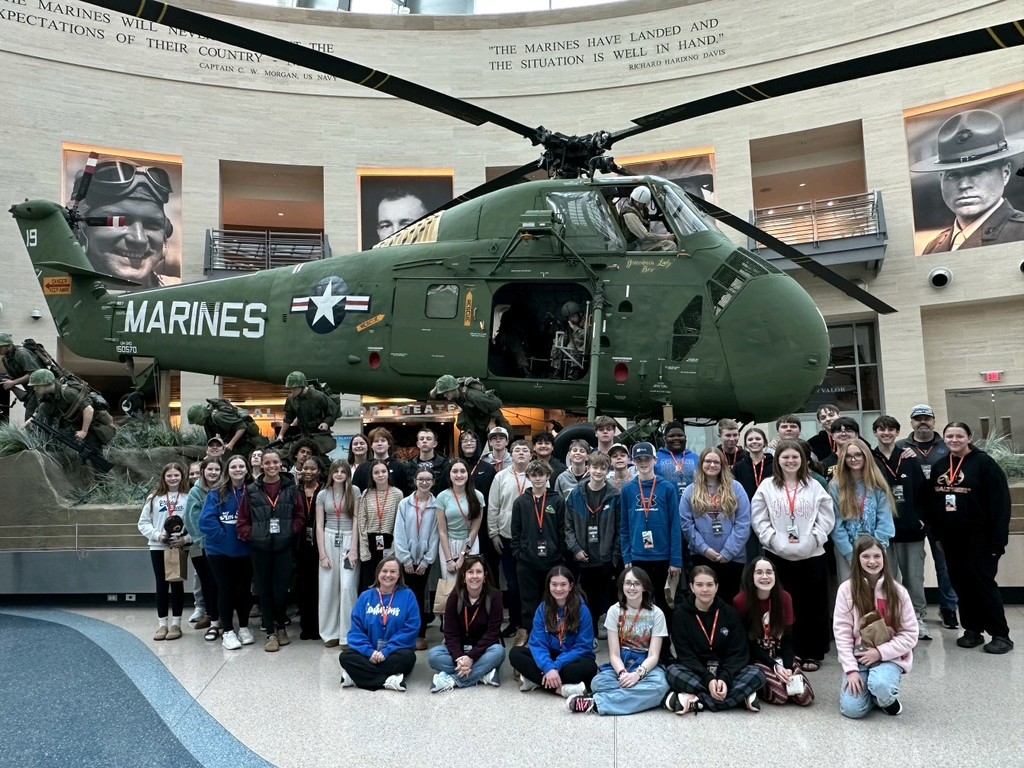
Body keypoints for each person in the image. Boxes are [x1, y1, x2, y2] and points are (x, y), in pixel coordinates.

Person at [750, 440, 835, 672]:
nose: (790, 461)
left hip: (812, 555)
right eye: (785, 457)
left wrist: (814, 538)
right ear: (777, 460)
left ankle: (812, 652)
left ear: (803, 460)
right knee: (782, 606)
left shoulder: (815, 486)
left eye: (794, 457)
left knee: (812, 605)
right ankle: (785, 650)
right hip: (778, 556)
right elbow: (759, 518)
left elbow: (827, 517)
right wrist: (772, 540)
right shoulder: (767, 486)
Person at [931, 422, 1013, 654]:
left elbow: (1000, 504)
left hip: (981, 539)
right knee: (961, 585)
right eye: (949, 436)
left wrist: (998, 542)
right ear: (944, 439)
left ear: (969, 437)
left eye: (959, 436)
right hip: (951, 540)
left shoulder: (985, 464)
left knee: (983, 584)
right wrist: (937, 535)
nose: (954, 440)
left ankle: (1001, 634)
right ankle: (972, 630)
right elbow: (933, 504)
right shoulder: (940, 467)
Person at [911, 109, 1024, 252]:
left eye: (978, 171)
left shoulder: (1020, 233)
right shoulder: (933, 246)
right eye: (953, 175)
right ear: (941, 179)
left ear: (1005, 173)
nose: (964, 185)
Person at [834, 536, 919, 718]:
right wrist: (851, 670)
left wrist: (880, 653)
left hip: (890, 657)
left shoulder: (898, 592)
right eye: (865, 556)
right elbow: (842, 633)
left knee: (880, 683)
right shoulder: (845, 590)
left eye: (877, 556)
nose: (872, 561)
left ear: (884, 558)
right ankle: (873, 694)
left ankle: (884, 696)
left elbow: (910, 634)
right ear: (857, 559)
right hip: (860, 659)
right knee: (852, 710)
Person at [566, 567, 670, 715]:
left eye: (636, 583)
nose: (631, 587)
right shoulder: (614, 611)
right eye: (627, 583)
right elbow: (614, 654)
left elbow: (654, 655)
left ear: (644, 587)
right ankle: (643, 696)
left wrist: (637, 675)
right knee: (597, 683)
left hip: (645, 663)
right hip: (622, 662)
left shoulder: (657, 613)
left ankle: (595, 703)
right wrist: (622, 674)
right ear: (622, 586)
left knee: (661, 685)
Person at [664, 565, 765, 714]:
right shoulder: (681, 615)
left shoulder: (729, 612)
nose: (705, 589)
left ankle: (697, 700)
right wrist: (708, 679)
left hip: (726, 670)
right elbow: (685, 654)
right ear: (691, 587)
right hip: (697, 671)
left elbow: (738, 652)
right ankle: (737, 698)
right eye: (699, 585)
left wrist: (724, 678)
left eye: (710, 585)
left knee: (757, 674)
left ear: (716, 587)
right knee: (672, 672)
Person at [236, 448, 307, 652]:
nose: (271, 466)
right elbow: (242, 521)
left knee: (281, 589)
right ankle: (270, 632)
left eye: (275, 462)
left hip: (284, 547)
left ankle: (281, 625)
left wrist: (288, 532)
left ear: (280, 464)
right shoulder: (251, 490)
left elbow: (300, 517)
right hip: (260, 549)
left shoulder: (292, 488)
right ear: (262, 465)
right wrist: (255, 536)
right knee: (264, 590)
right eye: (267, 463)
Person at [896, 404, 959, 630]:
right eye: (918, 419)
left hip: (941, 515)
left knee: (945, 564)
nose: (922, 422)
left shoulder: (946, 446)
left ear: (934, 421)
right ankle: (914, 612)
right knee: (913, 568)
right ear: (911, 422)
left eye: (927, 418)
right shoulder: (900, 447)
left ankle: (949, 608)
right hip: (913, 517)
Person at [72, 157, 178, 287]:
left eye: (152, 225)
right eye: (119, 222)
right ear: (79, 228)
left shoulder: (184, 293)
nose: (139, 239)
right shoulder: (61, 292)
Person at [872, 415, 932, 640]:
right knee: (887, 579)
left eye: (890, 430)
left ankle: (918, 617)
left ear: (897, 433)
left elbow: (924, 493)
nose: (886, 433)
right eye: (881, 429)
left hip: (911, 530)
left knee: (914, 577)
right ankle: (891, 621)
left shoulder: (909, 458)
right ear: (875, 433)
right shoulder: (871, 458)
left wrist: (921, 519)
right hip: (883, 532)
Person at [733, 558, 814, 706]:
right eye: (759, 572)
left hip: (780, 655)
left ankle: (783, 675)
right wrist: (773, 666)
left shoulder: (785, 598)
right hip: (757, 658)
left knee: (804, 698)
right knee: (780, 697)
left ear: (775, 576)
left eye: (769, 572)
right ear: (751, 576)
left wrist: (788, 667)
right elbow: (747, 643)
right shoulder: (741, 601)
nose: (765, 577)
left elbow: (788, 638)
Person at [509, 566, 598, 697]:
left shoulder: (582, 610)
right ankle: (560, 689)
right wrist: (548, 667)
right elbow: (538, 643)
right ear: (548, 586)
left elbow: (583, 647)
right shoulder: (542, 609)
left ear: (571, 586)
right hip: (550, 656)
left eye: (563, 584)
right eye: (554, 584)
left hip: (571, 660)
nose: (558, 589)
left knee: (589, 668)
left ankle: (535, 680)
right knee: (516, 654)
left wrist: (556, 665)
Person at [679, 447, 751, 603]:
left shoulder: (736, 488)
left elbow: (743, 522)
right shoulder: (690, 491)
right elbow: (686, 525)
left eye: (716, 462)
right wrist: (705, 550)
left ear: (722, 465)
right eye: (708, 461)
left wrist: (728, 552)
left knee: (729, 601)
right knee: (704, 600)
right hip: (701, 556)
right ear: (701, 464)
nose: (712, 465)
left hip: (733, 558)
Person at [200, 455, 256, 650]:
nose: (238, 469)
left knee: (243, 591)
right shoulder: (216, 492)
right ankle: (228, 632)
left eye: (241, 466)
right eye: (234, 466)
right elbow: (206, 520)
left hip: (245, 551)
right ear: (228, 470)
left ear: (247, 469)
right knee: (225, 591)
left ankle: (244, 627)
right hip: (219, 552)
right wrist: (223, 537)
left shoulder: (253, 491)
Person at [339, 557, 420, 691]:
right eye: (385, 571)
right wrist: (370, 653)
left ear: (399, 575)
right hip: (369, 654)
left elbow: (411, 628)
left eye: (393, 572)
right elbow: (356, 630)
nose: (388, 575)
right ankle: (388, 681)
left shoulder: (408, 595)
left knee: (407, 657)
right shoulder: (365, 596)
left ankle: (356, 677)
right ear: (378, 573)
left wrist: (387, 651)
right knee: (346, 657)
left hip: (394, 652)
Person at [620, 442, 682, 615]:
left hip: (663, 556)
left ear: (655, 460)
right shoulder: (628, 490)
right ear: (633, 462)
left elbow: (675, 526)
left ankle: (663, 641)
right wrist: (627, 555)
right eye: (639, 459)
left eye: (647, 458)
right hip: (638, 556)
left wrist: (675, 560)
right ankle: (642, 640)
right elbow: (624, 527)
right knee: (640, 602)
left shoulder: (668, 488)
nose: (643, 463)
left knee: (664, 603)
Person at [428, 555, 506, 692]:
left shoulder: (494, 597)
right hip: (459, 650)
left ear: (485, 575)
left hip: (483, 650)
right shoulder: (454, 597)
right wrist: (459, 658)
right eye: (470, 572)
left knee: (499, 652)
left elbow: (492, 634)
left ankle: (452, 679)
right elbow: (450, 634)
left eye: (478, 572)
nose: (474, 576)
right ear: (464, 576)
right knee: (434, 656)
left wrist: (471, 657)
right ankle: (483, 675)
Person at [564, 451, 621, 629]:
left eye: (602, 468)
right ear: (588, 468)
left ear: (607, 470)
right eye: (595, 467)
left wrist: (614, 556)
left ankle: (607, 633)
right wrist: (575, 549)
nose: (598, 471)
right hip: (583, 557)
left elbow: (620, 530)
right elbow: (568, 526)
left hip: (605, 558)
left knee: (607, 599)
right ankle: (591, 634)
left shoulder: (615, 496)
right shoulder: (575, 495)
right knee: (586, 600)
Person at [829, 439, 897, 582]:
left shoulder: (877, 484)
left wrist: (875, 550)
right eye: (848, 456)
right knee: (852, 593)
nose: (853, 459)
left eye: (858, 455)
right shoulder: (836, 486)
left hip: (876, 549)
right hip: (847, 550)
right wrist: (849, 554)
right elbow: (836, 523)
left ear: (866, 456)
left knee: (878, 591)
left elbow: (885, 520)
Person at [511, 459, 566, 636]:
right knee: (528, 599)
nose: (538, 479)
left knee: (552, 597)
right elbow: (516, 531)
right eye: (534, 475)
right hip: (527, 560)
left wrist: (560, 553)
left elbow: (562, 529)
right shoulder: (520, 502)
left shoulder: (557, 500)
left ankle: (552, 631)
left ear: (548, 476)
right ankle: (529, 631)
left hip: (553, 559)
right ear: (528, 477)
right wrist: (519, 552)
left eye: (541, 475)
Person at [137, 463, 191, 641]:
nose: (173, 478)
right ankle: (162, 624)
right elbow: (143, 523)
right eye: (169, 475)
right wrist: (157, 536)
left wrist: (185, 539)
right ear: (163, 477)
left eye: (176, 475)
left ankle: (176, 624)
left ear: (182, 477)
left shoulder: (187, 498)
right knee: (161, 584)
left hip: (178, 547)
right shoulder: (154, 498)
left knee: (176, 583)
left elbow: (193, 523)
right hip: (158, 546)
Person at [487, 439, 532, 640]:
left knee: (529, 583)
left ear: (531, 455)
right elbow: (493, 506)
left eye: (525, 450)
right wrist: (493, 533)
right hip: (507, 537)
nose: (521, 453)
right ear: (510, 455)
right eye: (517, 450)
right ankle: (514, 622)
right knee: (512, 584)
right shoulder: (500, 477)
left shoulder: (538, 475)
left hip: (531, 539)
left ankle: (529, 624)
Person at [316, 459, 361, 649]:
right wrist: (322, 554)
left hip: (349, 538)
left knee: (348, 587)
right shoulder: (322, 494)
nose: (340, 474)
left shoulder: (355, 491)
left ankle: (347, 635)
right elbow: (319, 525)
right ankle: (329, 633)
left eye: (343, 471)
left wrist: (354, 549)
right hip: (328, 538)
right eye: (336, 471)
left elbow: (357, 520)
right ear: (331, 473)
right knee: (327, 588)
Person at [394, 467, 440, 651]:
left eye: (428, 479)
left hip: (424, 561)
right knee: (406, 595)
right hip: (406, 558)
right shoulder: (405, 504)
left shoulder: (437, 505)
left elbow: (436, 534)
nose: (424, 482)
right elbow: (399, 532)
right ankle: (404, 633)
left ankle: (420, 634)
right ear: (415, 481)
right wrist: (405, 559)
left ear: (433, 482)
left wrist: (426, 561)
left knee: (420, 596)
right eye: (421, 479)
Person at [26, 369, 116, 461]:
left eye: (36, 386)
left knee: (95, 454)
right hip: (77, 424)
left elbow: (89, 410)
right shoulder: (50, 394)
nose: (34, 389)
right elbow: (42, 408)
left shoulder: (68, 392)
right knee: (78, 454)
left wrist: (84, 431)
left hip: (93, 425)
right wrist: (29, 421)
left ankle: (102, 474)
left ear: (45, 384)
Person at [183, 457, 222, 640]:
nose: (213, 473)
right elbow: (191, 519)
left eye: (216, 470)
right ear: (203, 472)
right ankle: (210, 614)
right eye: (209, 470)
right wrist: (203, 540)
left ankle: (221, 616)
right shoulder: (195, 492)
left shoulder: (224, 489)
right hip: (200, 544)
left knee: (220, 581)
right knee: (207, 581)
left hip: (221, 545)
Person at [435, 460, 485, 583]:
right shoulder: (442, 497)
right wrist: (449, 560)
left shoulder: (477, 496)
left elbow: (475, 528)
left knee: (471, 582)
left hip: (469, 544)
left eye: (463, 471)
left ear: (468, 474)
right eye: (455, 471)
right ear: (449, 474)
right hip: (448, 545)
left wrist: (463, 555)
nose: (459, 475)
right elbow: (442, 531)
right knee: (451, 584)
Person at [357, 460, 402, 592]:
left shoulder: (397, 494)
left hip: (389, 542)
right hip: (370, 543)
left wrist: (394, 549)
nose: (380, 475)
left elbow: (398, 523)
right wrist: (364, 549)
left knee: (387, 582)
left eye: (383, 471)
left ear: (388, 474)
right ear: (372, 476)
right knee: (369, 583)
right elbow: (361, 522)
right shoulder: (366, 493)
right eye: (376, 472)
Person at [430, 374, 512, 439]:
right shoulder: (457, 394)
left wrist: (492, 421)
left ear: (453, 389)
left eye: (446, 392)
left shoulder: (473, 396)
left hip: (492, 422)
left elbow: (496, 404)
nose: (444, 395)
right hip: (479, 424)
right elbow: (434, 395)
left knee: (497, 447)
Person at [295, 457, 324, 640]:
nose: (308, 472)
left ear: (319, 471)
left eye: (312, 469)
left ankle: (318, 626)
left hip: (319, 542)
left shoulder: (324, 491)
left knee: (318, 586)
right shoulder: (295, 490)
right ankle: (305, 626)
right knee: (302, 585)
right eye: (305, 468)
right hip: (299, 543)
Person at [734, 427, 772, 562]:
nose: (754, 442)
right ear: (745, 444)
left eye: (758, 439)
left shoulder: (775, 464)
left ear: (765, 442)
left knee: (769, 553)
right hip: (747, 516)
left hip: (770, 515)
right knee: (751, 556)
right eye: (750, 439)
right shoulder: (739, 466)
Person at [187, 399, 267, 460]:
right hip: (237, 447)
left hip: (248, 443)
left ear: (202, 417)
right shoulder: (207, 423)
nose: (197, 424)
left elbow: (241, 427)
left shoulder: (219, 416)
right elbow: (211, 440)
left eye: (196, 422)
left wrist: (231, 444)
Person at [278, 371, 338, 453]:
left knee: (316, 456)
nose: (292, 390)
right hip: (304, 435)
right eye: (290, 388)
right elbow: (288, 418)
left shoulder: (317, 396)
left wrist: (326, 423)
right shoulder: (291, 399)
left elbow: (333, 410)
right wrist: (281, 434)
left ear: (302, 386)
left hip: (320, 435)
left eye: (294, 388)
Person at [354, 426, 408, 494]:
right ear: (371, 445)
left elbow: (406, 492)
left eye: (383, 440)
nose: (379, 444)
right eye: (376, 441)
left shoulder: (400, 467)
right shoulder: (362, 468)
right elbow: (356, 493)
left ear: (388, 444)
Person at [0, 334, 43, 418]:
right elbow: (13, 376)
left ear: (9, 345)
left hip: (41, 388)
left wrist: (12, 383)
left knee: (30, 418)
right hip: (31, 390)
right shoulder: (6, 359)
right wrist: (5, 380)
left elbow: (34, 374)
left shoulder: (21, 353)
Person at [621, 186, 676, 251]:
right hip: (634, 246)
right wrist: (665, 237)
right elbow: (645, 236)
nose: (638, 204)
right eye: (635, 201)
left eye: (641, 203)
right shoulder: (629, 214)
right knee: (670, 245)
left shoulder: (640, 211)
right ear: (632, 199)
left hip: (640, 242)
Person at [655, 421, 698, 497]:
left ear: (685, 438)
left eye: (680, 435)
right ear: (665, 438)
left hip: (692, 506)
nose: (676, 438)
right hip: (666, 506)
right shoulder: (655, 458)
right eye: (671, 436)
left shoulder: (696, 458)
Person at [405, 427, 450, 494]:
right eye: (421, 439)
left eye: (428, 439)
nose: (424, 441)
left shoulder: (445, 465)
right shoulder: (409, 466)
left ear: (435, 444)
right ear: (418, 444)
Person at [549, 300, 587, 380]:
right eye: (570, 317)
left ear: (579, 314)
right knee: (558, 342)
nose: (572, 319)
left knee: (572, 344)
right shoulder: (568, 323)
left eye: (574, 316)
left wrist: (574, 328)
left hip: (581, 344)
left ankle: (575, 370)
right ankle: (557, 370)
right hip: (571, 341)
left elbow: (587, 335)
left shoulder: (585, 321)